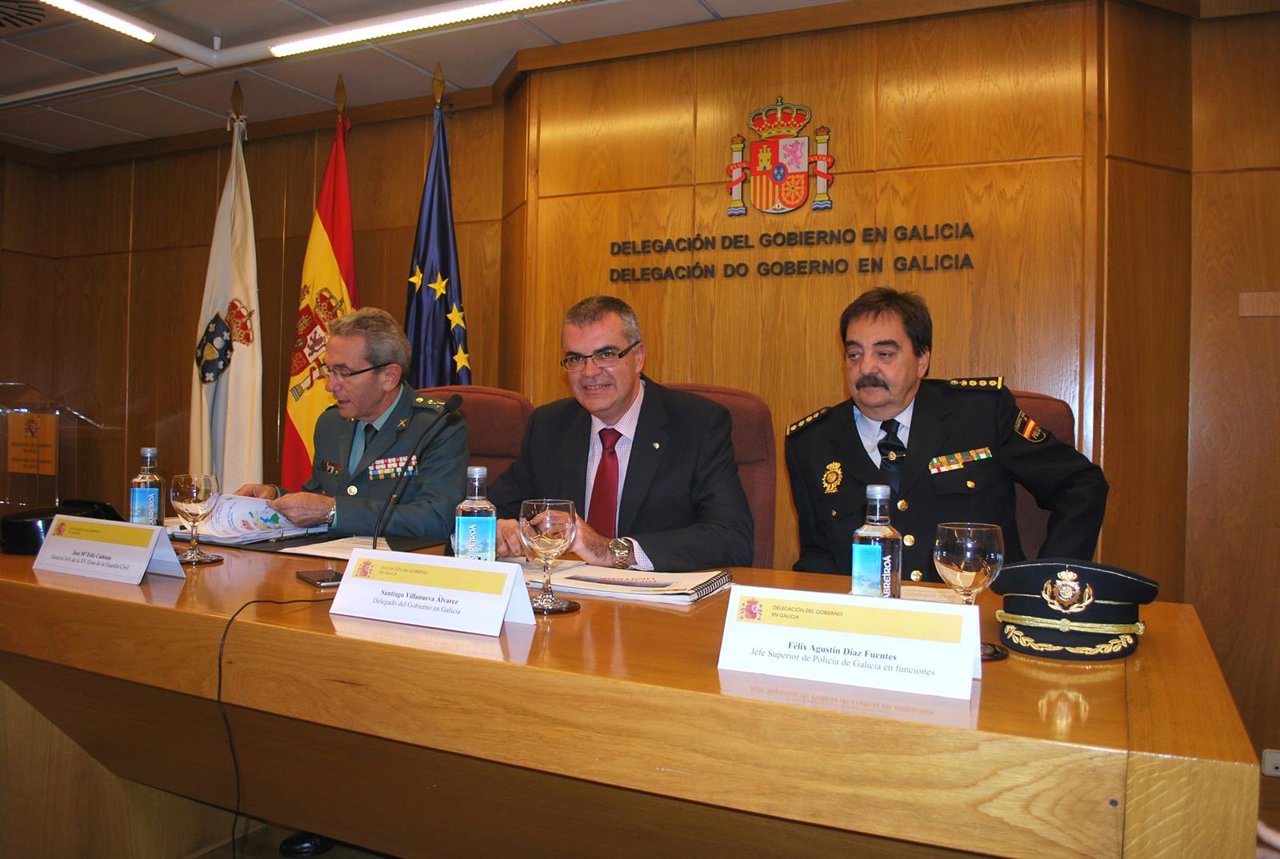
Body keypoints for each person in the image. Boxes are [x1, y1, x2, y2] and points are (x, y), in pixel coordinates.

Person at [785, 287, 1107, 583]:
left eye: (884, 354)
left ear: (922, 360)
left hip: (975, 620)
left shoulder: (980, 414)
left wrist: (1050, 581)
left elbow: (1081, 485)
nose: (865, 368)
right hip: (866, 630)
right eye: (854, 355)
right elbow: (818, 556)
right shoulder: (811, 443)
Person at [489, 295, 753, 571]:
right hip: (568, 600)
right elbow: (484, 513)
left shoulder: (697, 424)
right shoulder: (549, 425)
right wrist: (498, 529)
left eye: (606, 354)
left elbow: (734, 539)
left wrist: (613, 551)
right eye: (576, 359)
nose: (590, 372)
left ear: (638, 357)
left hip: (656, 605)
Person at [236, 307, 466, 542]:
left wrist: (333, 511)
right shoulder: (331, 423)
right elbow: (317, 498)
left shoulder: (437, 426)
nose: (329, 386)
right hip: (324, 562)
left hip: (396, 570)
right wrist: (274, 498)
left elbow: (438, 519)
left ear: (389, 376)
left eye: (344, 372)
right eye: (329, 371)